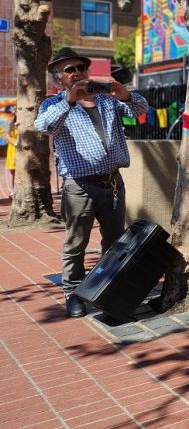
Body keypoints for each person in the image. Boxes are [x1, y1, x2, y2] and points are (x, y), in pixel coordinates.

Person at [35, 47, 149, 318]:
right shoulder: (53, 104)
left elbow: (142, 110)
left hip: (111, 183)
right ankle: (73, 292)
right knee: (76, 243)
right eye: (69, 70)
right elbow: (43, 127)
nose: (77, 73)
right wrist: (70, 101)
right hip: (79, 186)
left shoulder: (106, 99)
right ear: (58, 79)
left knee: (114, 241)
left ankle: (108, 291)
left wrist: (127, 95)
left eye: (80, 68)